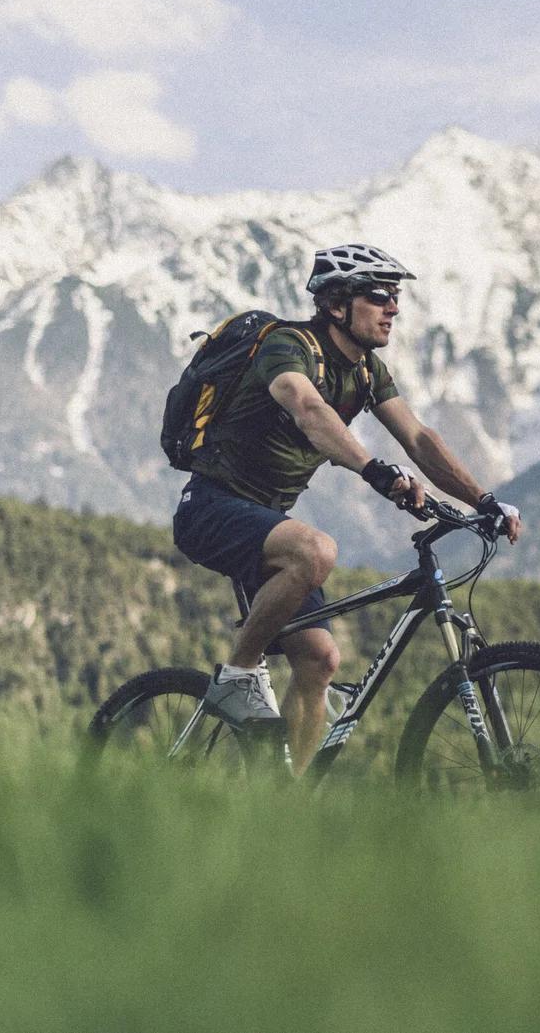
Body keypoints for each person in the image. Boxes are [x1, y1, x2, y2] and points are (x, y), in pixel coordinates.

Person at [172, 242, 522, 771]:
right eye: (380, 296)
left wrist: (485, 501)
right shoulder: (288, 346)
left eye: (396, 297)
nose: (394, 308)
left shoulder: (365, 372)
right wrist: (372, 469)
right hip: (211, 508)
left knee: (320, 662)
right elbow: (306, 406)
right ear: (338, 305)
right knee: (316, 551)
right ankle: (237, 679)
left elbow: (419, 439)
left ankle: (284, 804)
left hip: (265, 522)